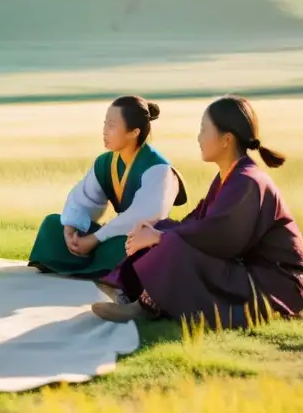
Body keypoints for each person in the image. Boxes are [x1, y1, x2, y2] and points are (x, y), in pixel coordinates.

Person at [93, 96, 303, 327]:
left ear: (226, 139)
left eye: (204, 129)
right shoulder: (229, 176)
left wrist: (160, 238)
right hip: (249, 271)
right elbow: (197, 221)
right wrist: (156, 229)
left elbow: (221, 237)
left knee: (172, 243)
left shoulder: (248, 181)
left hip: (274, 284)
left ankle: (147, 306)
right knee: (164, 229)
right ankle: (131, 290)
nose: (199, 137)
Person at [27, 96, 187, 278]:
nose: (104, 131)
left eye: (112, 126)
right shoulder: (106, 163)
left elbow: (142, 216)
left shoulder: (159, 169)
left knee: (123, 247)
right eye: (105, 124)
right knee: (53, 224)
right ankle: (92, 261)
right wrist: (71, 228)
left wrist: (95, 239)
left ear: (134, 132)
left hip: (142, 237)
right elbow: (84, 198)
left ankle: (96, 263)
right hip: (113, 233)